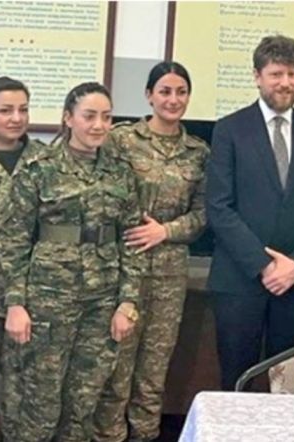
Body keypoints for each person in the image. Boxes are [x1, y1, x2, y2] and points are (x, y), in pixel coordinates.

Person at [2, 82, 143, 442]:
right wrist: (15, 304)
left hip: (101, 303)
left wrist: (127, 301)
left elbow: (132, 240)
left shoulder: (121, 172)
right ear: (68, 118)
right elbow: (15, 240)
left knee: (83, 406)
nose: (99, 125)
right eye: (89, 116)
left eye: (106, 117)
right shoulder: (38, 168)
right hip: (48, 302)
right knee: (40, 406)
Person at [206, 35, 294, 391]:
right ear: (257, 76)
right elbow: (219, 207)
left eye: (293, 74)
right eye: (276, 74)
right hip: (240, 281)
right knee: (237, 384)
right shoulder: (229, 130)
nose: (285, 83)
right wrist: (265, 266)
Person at [93, 62, 209, 442]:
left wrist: (166, 231)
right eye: (164, 91)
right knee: (115, 373)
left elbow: (204, 214)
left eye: (181, 92)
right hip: (121, 269)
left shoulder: (198, 152)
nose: (173, 100)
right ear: (149, 95)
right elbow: (99, 192)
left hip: (169, 276)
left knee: (152, 376)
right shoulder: (122, 140)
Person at [0, 76, 45, 426]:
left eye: (23, 109)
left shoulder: (45, 160)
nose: (16, 118)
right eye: (5, 110)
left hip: (30, 299)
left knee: (22, 398)